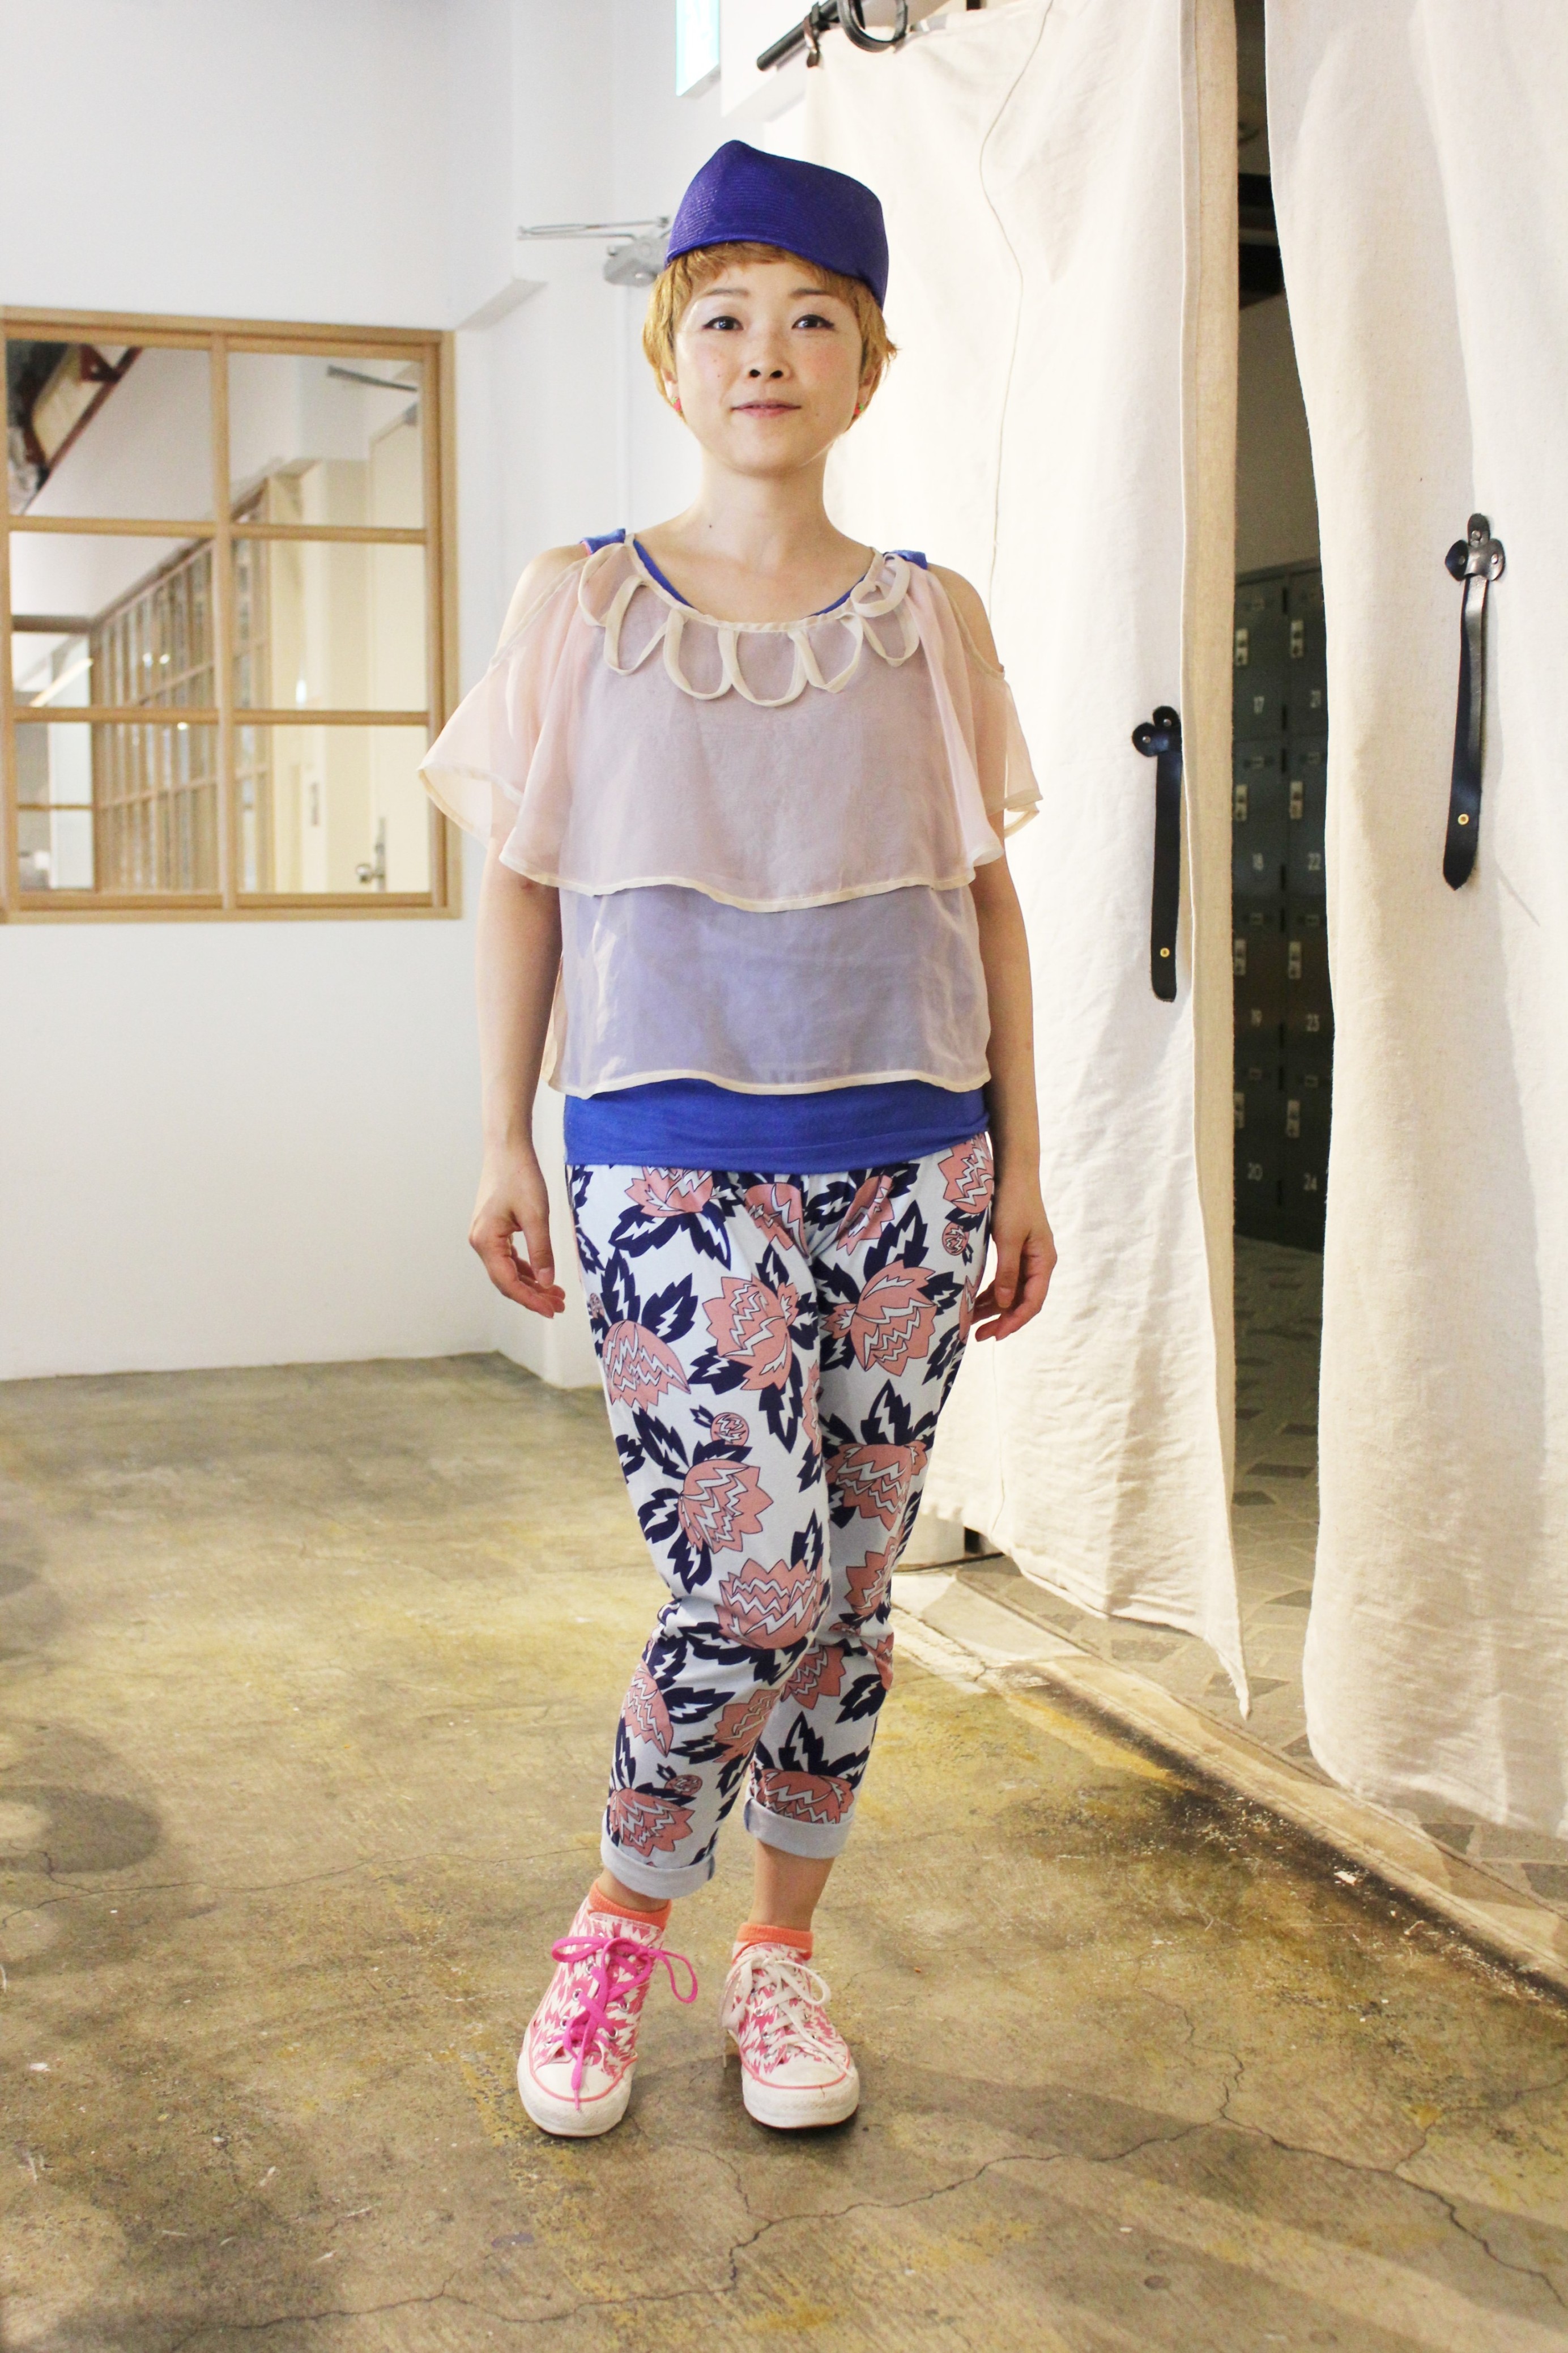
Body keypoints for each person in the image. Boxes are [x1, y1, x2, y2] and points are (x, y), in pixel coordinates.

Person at [420, 139, 1055, 2141]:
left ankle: (780, 1954)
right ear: (667, 356)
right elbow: (523, 884)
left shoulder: (931, 619)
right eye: (724, 318)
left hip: (917, 1162)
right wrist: (504, 1137)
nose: (764, 352)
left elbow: (986, 903)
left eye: (811, 319)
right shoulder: (581, 604)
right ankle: (620, 1924)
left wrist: (1027, 1164)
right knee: (755, 1579)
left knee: (853, 1592)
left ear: (869, 362)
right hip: (668, 1158)